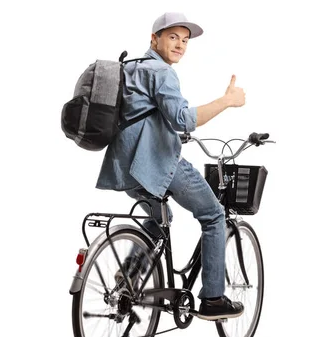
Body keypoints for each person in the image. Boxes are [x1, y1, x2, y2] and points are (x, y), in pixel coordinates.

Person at [96, 12, 246, 320]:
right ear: (155, 39)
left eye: (185, 40)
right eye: (173, 37)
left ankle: (128, 282)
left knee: (156, 221)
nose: (180, 45)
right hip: (155, 164)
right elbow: (183, 119)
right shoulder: (161, 72)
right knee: (214, 215)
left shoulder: (131, 68)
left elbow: (144, 113)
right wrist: (227, 100)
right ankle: (213, 299)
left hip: (124, 168)